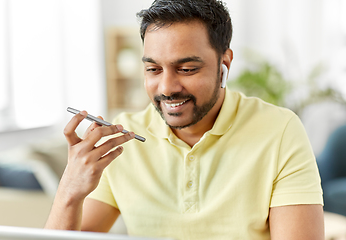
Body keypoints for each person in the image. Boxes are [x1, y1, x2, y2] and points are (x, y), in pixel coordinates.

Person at [45, 0, 324, 239]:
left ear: (224, 64)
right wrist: (70, 190)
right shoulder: (123, 138)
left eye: (187, 68)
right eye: (153, 69)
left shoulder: (279, 130)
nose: (166, 87)